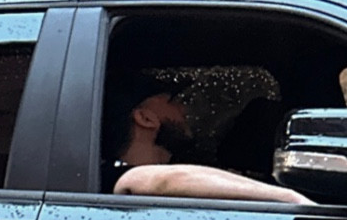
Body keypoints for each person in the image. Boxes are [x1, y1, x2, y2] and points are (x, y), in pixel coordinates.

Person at [105, 81, 307, 203]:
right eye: (174, 102)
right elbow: (162, 180)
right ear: (145, 119)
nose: (184, 109)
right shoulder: (112, 177)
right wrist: (290, 199)